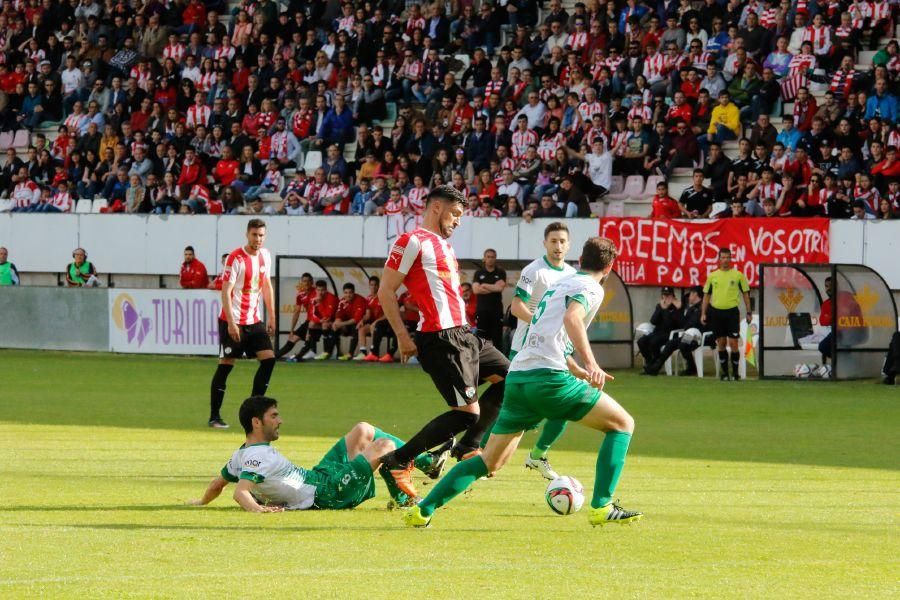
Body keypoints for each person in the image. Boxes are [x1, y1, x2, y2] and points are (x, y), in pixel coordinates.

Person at [403, 237, 643, 528]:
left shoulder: (559, 285)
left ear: (580, 260)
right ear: (609, 267)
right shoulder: (591, 287)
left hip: (518, 379)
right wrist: (591, 364)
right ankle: (602, 506)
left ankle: (422, 510)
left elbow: (546, 333)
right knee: (622, 424)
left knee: (489, 461)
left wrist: (576, 369)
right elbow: (573, 318)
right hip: (548, 380)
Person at [377, 185, 510, 500]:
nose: (458, 221)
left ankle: (466, 447)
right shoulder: (411, 241)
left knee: (513, 379)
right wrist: (401, 335)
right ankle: (398, 460)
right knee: (467, 414)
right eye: (455, 214)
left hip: (466, 335)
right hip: (441, 338)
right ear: (436, 207)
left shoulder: (444, 247)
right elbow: (385, 290)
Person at [188, 396, 446, 511]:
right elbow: (239, 492)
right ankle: (405, 500)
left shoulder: (241, 454)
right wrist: (257, 509)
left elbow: (218, 484)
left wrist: (201, 502)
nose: (280, 421)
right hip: (328, 495)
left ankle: (428, 462)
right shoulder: (257, 458)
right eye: (274, 416)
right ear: (257, 423)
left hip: (319, 477)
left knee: (363, 430)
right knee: (386, 446)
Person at [507, 221, 576, 480]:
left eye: (562, 241)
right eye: (553, 241)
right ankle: (478, 452)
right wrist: (540, 325)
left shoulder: (572, 275)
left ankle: (537, 455)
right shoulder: (534, 271)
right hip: (526, 351)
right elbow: (516, 307)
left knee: (565, 407)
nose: (558, 246)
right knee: (513, 415)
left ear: (569, 245)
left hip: (554, 353)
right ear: (545, 243)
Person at [209, 219, 276, 429]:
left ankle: (253, 409)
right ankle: (214, 416)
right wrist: (230, 323)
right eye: (255, 235)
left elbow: (266, 285)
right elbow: (226, 291)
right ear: (247, 235)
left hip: (254, 320)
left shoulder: (265, 256)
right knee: (226, 365)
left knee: (269, 360)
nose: (258, 239)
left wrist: (272, 316)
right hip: (233, 320)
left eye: (262, 235)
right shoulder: (236, 258)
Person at [701, 248, 752, 381]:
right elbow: (706, 296)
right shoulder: (713, 276)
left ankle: (735, 373)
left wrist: (748, 311)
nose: (725, 260)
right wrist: (703, 313)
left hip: (732, 313)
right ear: (719, 259)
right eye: (723, 257)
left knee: (733, 342)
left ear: (731, 258)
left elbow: (746, 294)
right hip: (716, 313)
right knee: (721, 343)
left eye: (728, 257)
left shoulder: (738, 275)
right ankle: (724, 373)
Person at [642, 287, 708, 376]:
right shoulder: (691, 308)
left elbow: (693, 323)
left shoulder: (703, 307)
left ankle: (691, 367)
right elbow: (685, 323)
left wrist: (677, 310)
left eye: (690, 295)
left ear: (695, 294)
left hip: (699, 336)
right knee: (672, 343)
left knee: (682, 344)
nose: (689, 298)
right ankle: (656, 367)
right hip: (688, 334)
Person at [318, 283, 367, 360]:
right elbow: (338, 316)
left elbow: (356, 319)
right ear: (343, 293)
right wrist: (337, 323)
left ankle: (350, 354)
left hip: (357, 324)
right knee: (334, 327)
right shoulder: (342, 301)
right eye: (346, 293)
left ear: (354, 292)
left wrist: (341, 324)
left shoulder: (360, 300)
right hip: (346, 325)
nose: (348, 295)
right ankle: (328, 352)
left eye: (350, 293)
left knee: (357, 327)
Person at [472, 248, 508, 349]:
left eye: (492, 257)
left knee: (497, 339)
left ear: (495, 258)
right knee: (481, 338)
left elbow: (499, 288)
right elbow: (476, 290)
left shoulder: (500, 272)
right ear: (484, 258)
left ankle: (498, 362)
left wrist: (483, 285)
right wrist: (493, 287)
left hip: (496, 311)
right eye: (488, 257)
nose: (490, 259)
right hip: (482, 311)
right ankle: (481, 362)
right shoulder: (478, 273)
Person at [638, 287, 680, 370]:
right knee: (641, 341)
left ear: (673, 296)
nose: (666, 298)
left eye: (668, 296)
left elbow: (670, 323)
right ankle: (650, 362)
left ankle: (655, 364)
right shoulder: (660, 306)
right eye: (664, 295)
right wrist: (661, 308)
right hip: (658, 332)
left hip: (670, 334)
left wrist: (665, 309)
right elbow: (653, 321)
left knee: (654, 342)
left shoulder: (676, 307)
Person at [275, 273, 315, 359]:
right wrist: (291, 330)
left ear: (312, 282)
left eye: (308, 281)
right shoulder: (300, 295)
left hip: (317, 321)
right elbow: (296, 312)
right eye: (304, 281)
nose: (306, 283)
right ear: (301, 282)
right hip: (309, 321)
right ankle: (275, 357)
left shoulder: (317, 292)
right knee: (293, 338)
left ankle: (305, 354)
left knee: (310, 336)